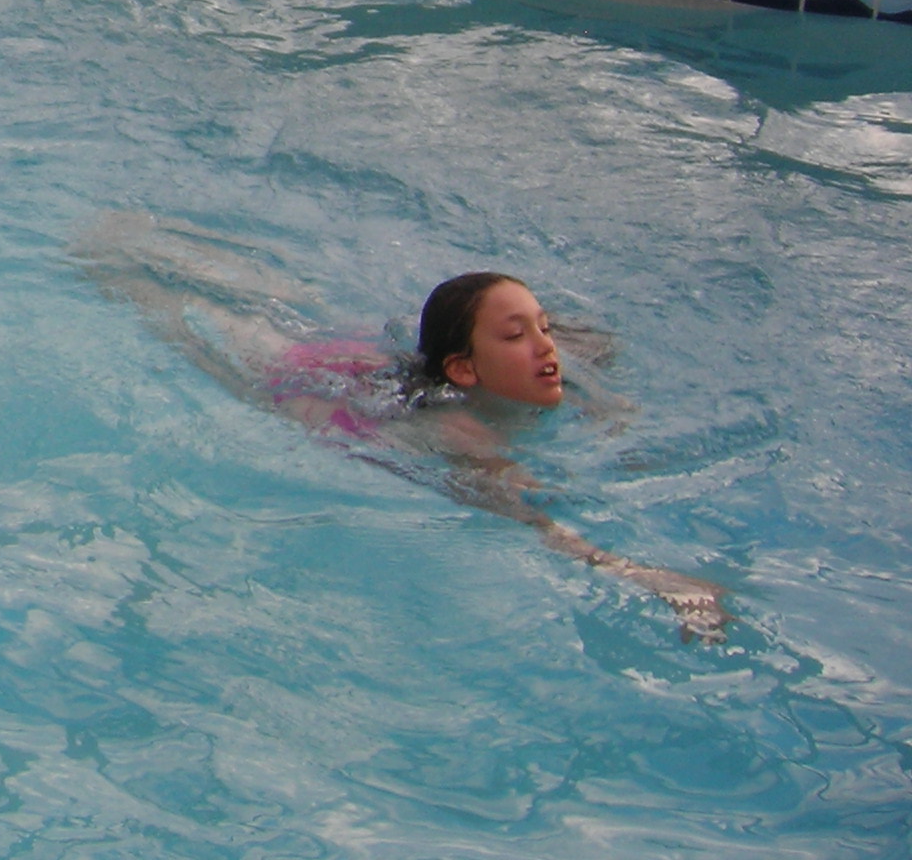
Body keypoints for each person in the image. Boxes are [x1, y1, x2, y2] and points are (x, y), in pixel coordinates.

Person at [76, 215, 730, 641]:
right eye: (517, 334)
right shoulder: (465, 436)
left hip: (371, 361)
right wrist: (656, 579)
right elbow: (535, 522)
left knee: (284, 302)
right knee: (190, 312)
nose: (544, 347)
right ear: (464, 370)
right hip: (310, 382)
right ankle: (115, 263)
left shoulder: (541, 370)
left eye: (544, 327)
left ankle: (128, 245)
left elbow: (585, 363)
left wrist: (607, 410)